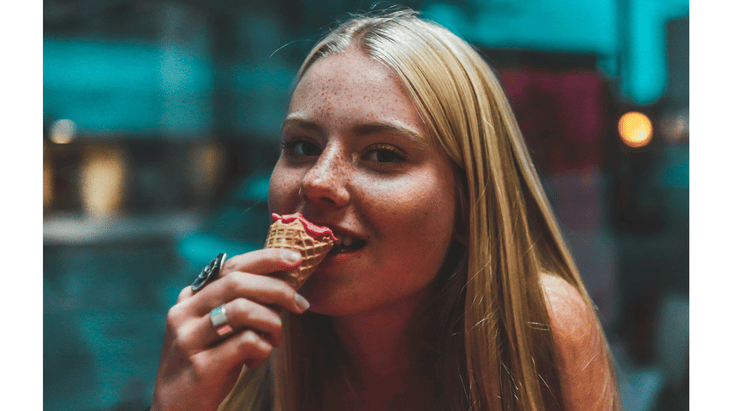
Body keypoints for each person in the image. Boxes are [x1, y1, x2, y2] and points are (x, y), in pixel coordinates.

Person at [151, 9, 620, 411]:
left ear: (468, 203)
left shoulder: (537, 332)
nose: (317, 180)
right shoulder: (237, 362)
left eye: (382, 154)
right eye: (301, 146)